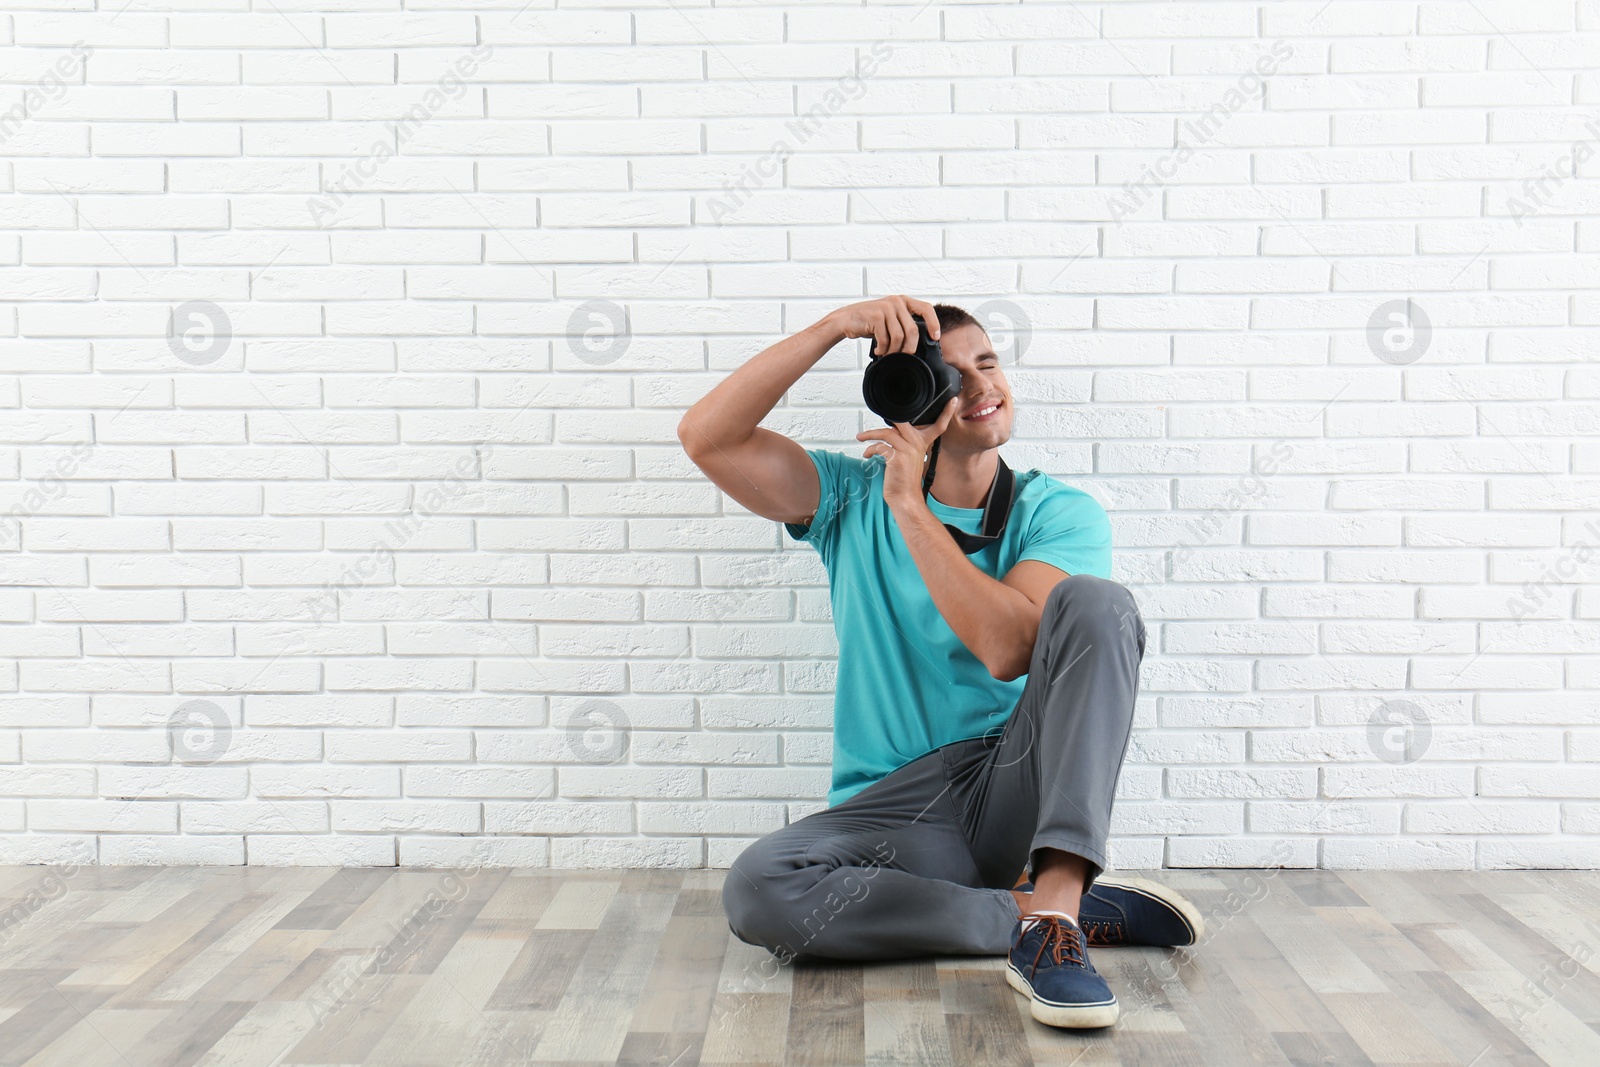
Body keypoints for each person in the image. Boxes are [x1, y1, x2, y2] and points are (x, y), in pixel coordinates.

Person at [677, 294, 1203, 1029]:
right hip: (894, 810)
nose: (981, 387)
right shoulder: (848, 497)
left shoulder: (1055, 511)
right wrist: (835, 328)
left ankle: (1053, 918)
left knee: (1097, 601)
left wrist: (913, 511)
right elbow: (706, 436)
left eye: (987, 362)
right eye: (950, 377)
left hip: (1008, 781)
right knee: (758, 890)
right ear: (911, 400)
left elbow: (1007, 647)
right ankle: (1044, 911)